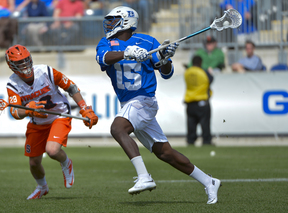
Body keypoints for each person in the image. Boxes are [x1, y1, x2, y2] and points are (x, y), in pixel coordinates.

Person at [95, 6, 221, 204]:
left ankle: (144, 176)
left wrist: (164, 58)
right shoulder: (106, 43)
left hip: (144, 100)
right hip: (128, 103)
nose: (109, 24)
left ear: (126, 22)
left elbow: (166, 73)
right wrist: (126, 52)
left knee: (117, 128)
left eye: (114, 20)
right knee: (166, 153)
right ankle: (209, 181)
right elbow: (103, 59)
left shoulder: (147, 41)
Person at [5, 44, 98, 199]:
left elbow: (71, 87)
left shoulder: (46, 71)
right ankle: (42, 187)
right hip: (37, 122)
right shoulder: (13, 84)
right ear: (12, 66)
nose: (25, 65)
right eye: (20, 63)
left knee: (52, 150)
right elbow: (15, 111)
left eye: (26, 60)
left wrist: (84, 108)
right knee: (34, 163)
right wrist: (28, 109)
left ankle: (66, 162)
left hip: (59, 115)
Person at [184, 55, 213, 146]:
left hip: (190, 101)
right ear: (200, 63)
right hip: (202, 101)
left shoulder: (187, 72)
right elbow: (211, 79)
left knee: (191, 123)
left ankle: (190, 140)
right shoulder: (203, 72)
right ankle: (206, 140)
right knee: (205, 123)